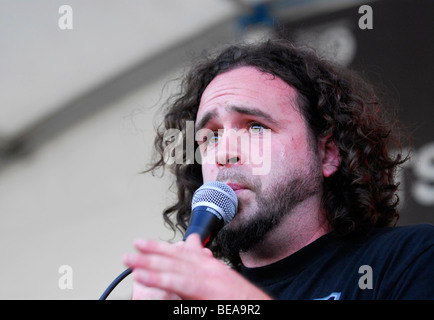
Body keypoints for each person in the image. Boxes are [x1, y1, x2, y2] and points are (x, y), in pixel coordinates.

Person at [123, 39, 434, 300]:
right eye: (211, 136)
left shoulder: (412, 259)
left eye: (255, 127)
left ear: (327, 154)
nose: (224, 153)